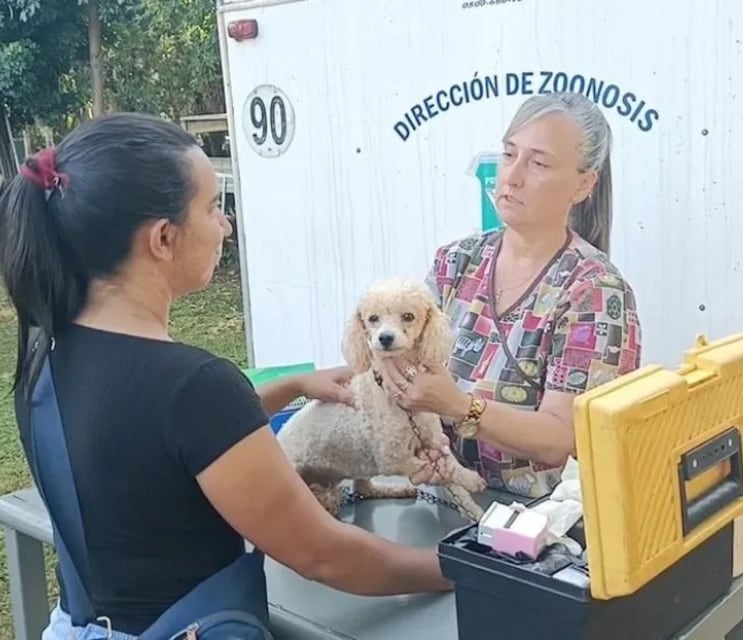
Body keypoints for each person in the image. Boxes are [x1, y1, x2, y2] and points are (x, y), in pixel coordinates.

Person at [0, 112, 452, 639]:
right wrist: (459, 567)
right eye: (214, 207)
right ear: (163, 238)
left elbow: (164, 445)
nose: (226, 226)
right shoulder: (192, 385)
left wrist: (291, 387)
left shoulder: (43, 356)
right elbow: (323, 554)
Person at [379, 92, 644, 498]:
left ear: (583, 184)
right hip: (438, 501)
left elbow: (564, 436)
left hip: (538, 518)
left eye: (538, 163)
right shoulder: (457, 262)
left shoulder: (595, 292)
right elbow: (398, 364)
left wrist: (459, 406)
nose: (512, 177)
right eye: (508, 154)